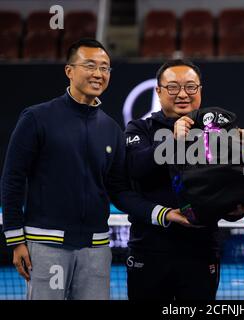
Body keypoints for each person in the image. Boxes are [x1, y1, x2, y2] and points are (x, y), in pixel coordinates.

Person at [1, 38, 156, 300]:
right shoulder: (37, 118)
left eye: (105, 68)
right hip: (46, 245)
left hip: (96, 249)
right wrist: (16, 240)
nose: (98, 74)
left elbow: (119, 190)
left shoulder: (111, 129)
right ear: (69, 70)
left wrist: (160, 213)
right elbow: (12, 179)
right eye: (90, 65)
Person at [125, 59, 244, 300]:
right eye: (173, 87)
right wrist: (172, 138)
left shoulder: (219, 130)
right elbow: (136, 168)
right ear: (158, 91)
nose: (182, 94)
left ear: (200, 90)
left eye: (191, 87)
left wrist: (236, 208)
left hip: (201, 251)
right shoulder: (139, 128)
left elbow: (230, 189)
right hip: (149, 251)